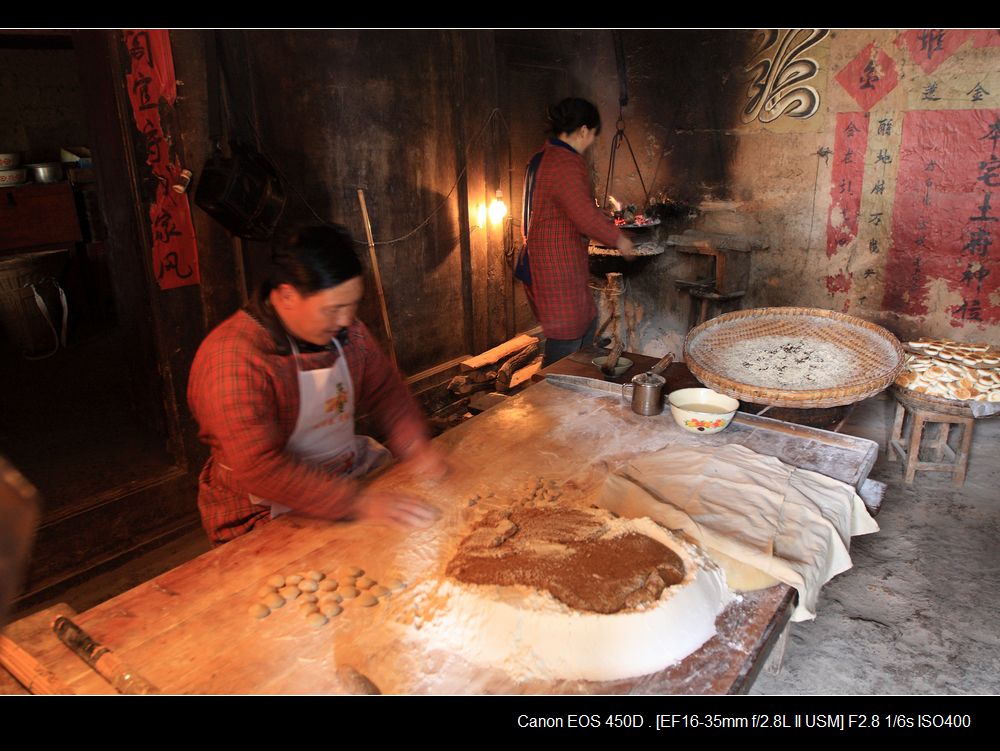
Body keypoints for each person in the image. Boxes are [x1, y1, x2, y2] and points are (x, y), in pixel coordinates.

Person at [187, 225, 445, 545]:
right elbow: (260, 468)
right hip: (265, 506)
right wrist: (356, 503)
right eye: (333, 309)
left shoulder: (347, 333)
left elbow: (386, 393)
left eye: (352, 305)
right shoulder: (231, 361)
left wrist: (415, 446)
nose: (346, 320)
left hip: (345, 474)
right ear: (286, 295)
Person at [518, 97, 635, 367]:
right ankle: (549, 388)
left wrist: (600, 217)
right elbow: (583, 216)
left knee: (586, 323)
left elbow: (569, 208)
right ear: (583, 130)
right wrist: (620, 240)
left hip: (552, 264)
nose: (590, 141)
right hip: (554, 268)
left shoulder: (546, 156)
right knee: (566, 342)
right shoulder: (564, 162)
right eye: (592, 135)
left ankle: (574, 381)